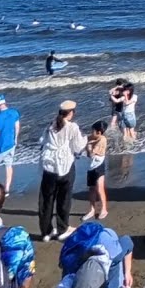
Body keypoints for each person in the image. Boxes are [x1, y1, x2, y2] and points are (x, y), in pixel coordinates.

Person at [39, 100, 86, 241]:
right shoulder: (72, 127)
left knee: (46, 200)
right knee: (64, 199)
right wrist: (85, 139)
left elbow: (42, 140)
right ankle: (63, 228)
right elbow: (78, 147)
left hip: (49, 165)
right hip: (65, 165)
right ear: (70, 112)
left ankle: (46, 231)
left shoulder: (51, 124)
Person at [83, 120, 109, 221]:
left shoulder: (102, 140)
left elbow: (91, 154)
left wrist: (88, 147)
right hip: (91, 166)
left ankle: (104, 209)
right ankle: (92, 210)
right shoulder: (93, 137)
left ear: (99, 132)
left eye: (93, 131)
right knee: (91, 189)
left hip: (99, 165)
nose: (91, 133)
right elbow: (85, 140)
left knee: (99, 188)